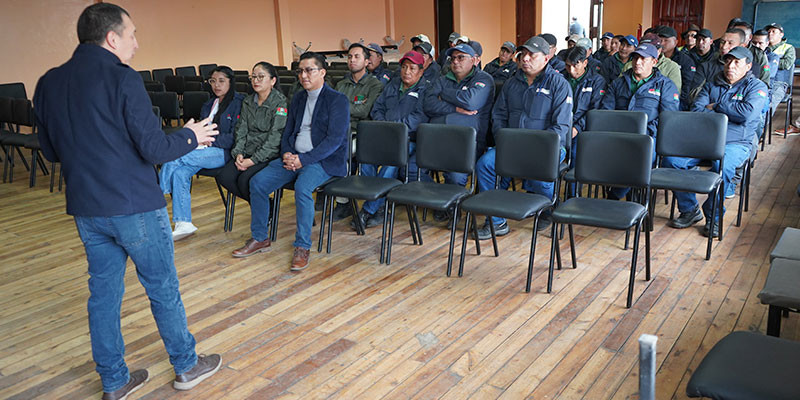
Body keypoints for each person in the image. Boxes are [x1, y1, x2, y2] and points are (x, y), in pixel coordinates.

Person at [33, 3, 221, 398]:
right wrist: (191, 136)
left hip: (87, 208)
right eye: (132, 35)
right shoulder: (123, 78)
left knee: (103, 296)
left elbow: (49, 152)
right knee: (162, 287)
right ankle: (187, 366)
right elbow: (153, 148)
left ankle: (115, 381)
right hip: (134, 205)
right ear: (112, 37)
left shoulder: (48, 82)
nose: (136, 44)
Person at [231, 51, 349, 271]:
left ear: (322, 72)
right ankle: (260, 238)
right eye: (301, 71)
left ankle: (302, 246)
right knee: (258, 183)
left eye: (309, 70)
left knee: (303, 188)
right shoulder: (298, 98)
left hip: (322, 161)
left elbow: (334, 141)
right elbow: (287, 132)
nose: (303, 75)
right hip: (293, 158)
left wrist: (303, 159)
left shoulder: (337, 100)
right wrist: (287, 153)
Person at [473, 36, 572, 238]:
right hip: (513, 145)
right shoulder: (512, 83)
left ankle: (549, 208)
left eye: (532, 55)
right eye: (523, 54)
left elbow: (561, 126)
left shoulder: (559, 84)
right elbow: (499, 115)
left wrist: (536, 147)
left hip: (546, 148)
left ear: (546, 58)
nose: (525, 58)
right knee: (485, 165)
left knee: (538, 174)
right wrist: (505, 140)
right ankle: (496, 221)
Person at [663, 46, 768, 237]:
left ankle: (714, 215)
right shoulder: (712, 84)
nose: (730, 66)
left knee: (723, 166)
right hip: (704, 140)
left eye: (736, 62)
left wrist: (717, 106)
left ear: (748, 66)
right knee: (672, 161)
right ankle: (689, 209)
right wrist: (730, 111)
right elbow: (697, 111)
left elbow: (745, 113)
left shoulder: (757, 87)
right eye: (728, 61)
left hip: (735, 142)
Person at [159, 66, 243, 240]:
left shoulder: (239, 103)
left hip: (223, 152)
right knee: (180, 173)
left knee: (175, 154)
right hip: (201, 150)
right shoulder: (208, 104)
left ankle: (157, 198)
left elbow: (234, 138)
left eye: (221, 81)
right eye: (213, 81)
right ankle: (184, 223)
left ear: (230, 82)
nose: (216, 85)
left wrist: (208, 139)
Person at [353, 51, 430, 229]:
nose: (406, 72)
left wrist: (392, 128)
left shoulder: (425, 89)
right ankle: (379, 207)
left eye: (412, 68)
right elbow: (377, 108)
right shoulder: (393, 84)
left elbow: (418, 118)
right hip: (383, 136)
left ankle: (368, 210)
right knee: (366, 161)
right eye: (404, 67)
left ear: (421, 71)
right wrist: (384, 125)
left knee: (391, 164)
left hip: (408, 140)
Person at [602, 42, 679, 200]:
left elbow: (668, 119)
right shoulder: (619, 83)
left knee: (640, 158)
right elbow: (606, 112)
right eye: (635, 58)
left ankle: (615, 196)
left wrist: (646, 130)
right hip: (619, 135)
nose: (638, 62)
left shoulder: (665, 85)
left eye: (643, 59)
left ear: (654, 62)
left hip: (648, 137)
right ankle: (629, 196)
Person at [217, 61, 288, 211]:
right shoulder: (248, 101)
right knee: (224, 177)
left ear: (273, 81)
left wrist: (253, 160)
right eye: (253, 77)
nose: (256, 81)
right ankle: (267, 206)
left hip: (268, 154)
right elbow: (241, 130)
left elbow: (275, 137)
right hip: (247, 151)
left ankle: (263, 210)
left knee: (245, 181)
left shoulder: (280, 103)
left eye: (261, 77)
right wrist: (239, 153)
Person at [424, 42, 494, 190]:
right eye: (453, 58)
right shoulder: (443, 79)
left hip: (467, 142)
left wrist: (443, 94)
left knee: (455, 177)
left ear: (473, 60)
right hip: (438, 137)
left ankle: (451, 201)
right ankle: (439, 196)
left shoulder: (484, 79)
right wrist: (454, 108)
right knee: (411, 168)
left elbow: (470, 101)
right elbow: (428, 104)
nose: (455, 61)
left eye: (461, 57)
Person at [330, 43, 384, 221]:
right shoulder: (341, 84)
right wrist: (350, 108)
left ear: (367, 61)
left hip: (361, 134)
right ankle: (340, 201)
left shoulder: (375, 85)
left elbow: (365, 111)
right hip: (339, 131)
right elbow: (331, 110)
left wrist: (342, 108)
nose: (352, 60)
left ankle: (343, 202)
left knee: (341, 154)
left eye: (356, 57)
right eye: (349, 57)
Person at [562, 46, 606, 179]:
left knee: (576, 154)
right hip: (561, 125)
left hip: (582, 128)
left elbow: (595, 110)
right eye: (568, 66)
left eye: (575, 65)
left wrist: (577, 127)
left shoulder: (597, 81)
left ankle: (573, 189)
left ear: (585, 62)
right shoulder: (560, 78)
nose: (571, 70)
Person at [657, 25, 699, 110]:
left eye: (666, 40)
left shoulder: (685, 61)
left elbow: (687, 87)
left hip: (677, 100)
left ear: (675, 42)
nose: (662, 44)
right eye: (660, 40)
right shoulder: (653, 58)